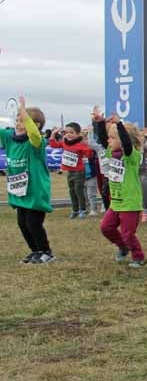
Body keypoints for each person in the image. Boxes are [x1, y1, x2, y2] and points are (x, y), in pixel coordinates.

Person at [1, 96, 54, 263]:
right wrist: (22, 115)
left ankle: (46, 252)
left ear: (35, 125)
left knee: (33, 223)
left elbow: (34, 134)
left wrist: (24, 111)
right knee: (23, 224)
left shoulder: (37, 143)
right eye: (17, 120)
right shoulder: (9, 139)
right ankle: (35, 251)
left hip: (35, 192)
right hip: (19, 193)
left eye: (22, 120)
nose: (18, 123)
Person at [93, 109, 146, 268]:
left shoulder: (132, 155)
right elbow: (102, 140)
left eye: (113, 138)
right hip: (116, 201)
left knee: (128, 233)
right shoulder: (111, 152)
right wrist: (100, 123)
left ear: (123, 140)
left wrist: (119, 124)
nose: (109, 141)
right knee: (106, 228)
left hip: (130, 203)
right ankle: (123, 247)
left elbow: (127, 144)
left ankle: (139, 257)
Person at [48, 122, 93, 219]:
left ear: (77, 134)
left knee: (78, 190)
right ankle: (75, 210)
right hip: (69, 171)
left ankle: (83, 210)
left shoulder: (80, 144)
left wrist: (86, 142)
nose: (68, 134)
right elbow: (53, 145)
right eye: (66, 132)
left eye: (71, 132)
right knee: (72, 191)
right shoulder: (65, 143)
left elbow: (89, 154)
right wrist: (53, 134)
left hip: (79, 171)